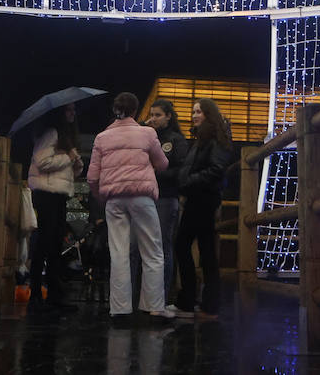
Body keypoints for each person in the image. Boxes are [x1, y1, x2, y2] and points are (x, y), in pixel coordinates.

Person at [87, 91, 173, 321]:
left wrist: (102, 196)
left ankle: (120, 309)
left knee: (119, 253)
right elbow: (163, 164)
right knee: (152, 251)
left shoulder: (101, 137)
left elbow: (92, 177)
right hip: (141, 198)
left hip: (114, 200)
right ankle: (154, 307)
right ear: (136, 111)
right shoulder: (147, 133)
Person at [173, 97, 235, 320]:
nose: (194, 115)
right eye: (193, 112)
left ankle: (191, 301)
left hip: (203, 198)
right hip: (198, 198)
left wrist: (188, 182)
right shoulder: (202, 138)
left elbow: (216, 169)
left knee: (184, 245)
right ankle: (205, 304)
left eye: (198, 111)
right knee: (205, 250)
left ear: (209, 114)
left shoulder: (215, 139)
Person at [26, 103, 83, 313]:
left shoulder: (63, 137)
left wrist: (75, 162)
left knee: (52, 242)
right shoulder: (51, 133)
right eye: (68, 110)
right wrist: (67, 158)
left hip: (56, 194)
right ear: (59, 113)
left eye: (73, 110)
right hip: (46, 193)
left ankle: (46, 293)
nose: (72, 113)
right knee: (47, 242)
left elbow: (63, 170)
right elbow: (42, 162)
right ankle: (42, 294)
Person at [139, 98, 186, 308]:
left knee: (162, 246)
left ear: (168, 116)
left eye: (158, 115)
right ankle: (145, 296)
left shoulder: (176, 140)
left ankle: (163, 296)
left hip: (166, 197)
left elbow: (181, 171)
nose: (154, 119)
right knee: (144, 247)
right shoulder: (146, 136)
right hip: (144, 197)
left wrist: (159, 173)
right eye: (152, 114)